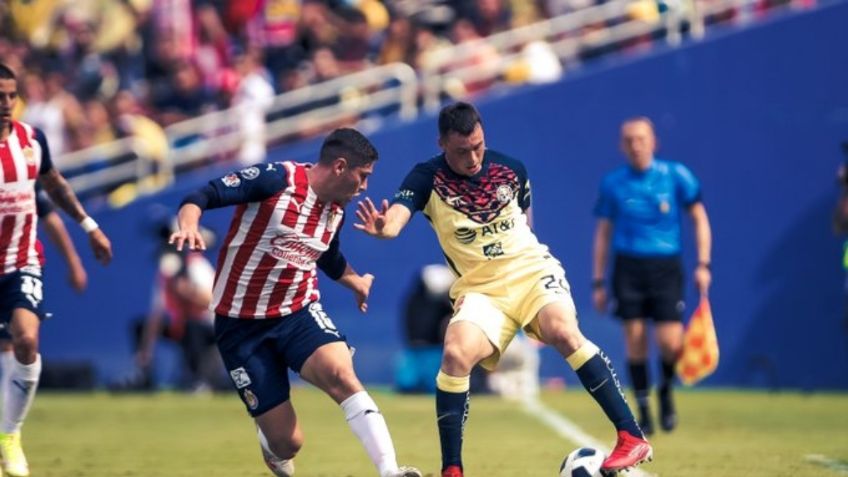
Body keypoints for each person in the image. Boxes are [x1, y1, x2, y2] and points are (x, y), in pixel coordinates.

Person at [354, 102, 652, 477]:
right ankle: (453, 469)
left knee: (562, 330)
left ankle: (630, 435)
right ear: (442, 143)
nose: (474, 157)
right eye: (463, 151)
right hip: (481, 290)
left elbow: (526, 222)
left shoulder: (511, 169)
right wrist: (383, 227)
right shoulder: (426, 178)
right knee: (456, 353)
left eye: (478, 145)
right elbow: (395, 220)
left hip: (529, 271)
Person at [169, 128, 421, 477]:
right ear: (340, 167)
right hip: (241, 327)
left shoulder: (336, 210)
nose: (364, 187)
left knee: (342, 373)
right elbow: (203, 194)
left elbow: (327, 256)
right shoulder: (276, 180)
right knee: (288, 443)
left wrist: (356, 282)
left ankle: (391, 471)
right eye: (362, 177)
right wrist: (189, 224)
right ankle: (272, 447)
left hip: (297, 313)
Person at [0, 63, 112, 477]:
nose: (7, 104)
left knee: (25, 340)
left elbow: (54, 188)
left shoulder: (31, 140)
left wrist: (90, 227)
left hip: (20, 261)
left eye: (11, 95)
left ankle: (9, 437)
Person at [591, 117, 712, 436]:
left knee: (671, 343)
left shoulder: (675, 176)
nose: (635, 145)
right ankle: (643, 409)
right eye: (629, 139)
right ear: (621, 145)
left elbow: (699, 219)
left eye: (641, 138)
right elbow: (603, 232)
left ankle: (666, 392)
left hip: (665, 267)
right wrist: (599, 281)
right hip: (628, 267)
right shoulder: (613, 183)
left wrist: (703, 264)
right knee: (635, 340)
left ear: (654, 141)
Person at [133, 219, 222, 392]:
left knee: (192, 327)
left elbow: (215, 301)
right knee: (140, 326)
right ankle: (144, 376)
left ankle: (200, 381)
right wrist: (146, 348)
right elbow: (157, 314)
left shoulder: (196, 266)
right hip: (179, 325)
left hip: (209, 327)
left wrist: (189, 291)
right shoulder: (164, 275)